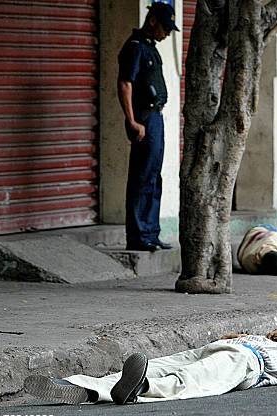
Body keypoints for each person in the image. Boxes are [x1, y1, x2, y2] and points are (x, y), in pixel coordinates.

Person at [23, 328, 277, 405]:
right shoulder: (273, 341)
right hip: (226, 348)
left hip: (249, 364)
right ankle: (84, 386)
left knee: (191, 379)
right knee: (155, 364)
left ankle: (141, 389)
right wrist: (240, 335)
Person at [118, 3, 179, 252]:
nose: (167, 34)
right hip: (143, 118)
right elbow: (125, 84)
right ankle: (138, 235)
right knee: (142, 177)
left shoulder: (149, 48)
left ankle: (151, 233)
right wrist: (132, 121)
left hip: (155, 117)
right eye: (165, 28)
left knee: (154, 176)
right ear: (152, 21)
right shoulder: (135, 48)